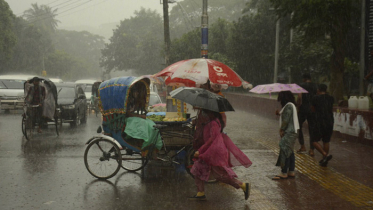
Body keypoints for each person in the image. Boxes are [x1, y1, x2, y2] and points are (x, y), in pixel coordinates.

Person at [189, 109, 252, 201]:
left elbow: (212, 140)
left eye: (204, 114)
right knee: (197, 169)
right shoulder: (208, 122)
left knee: (219, 175)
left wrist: (200, 150)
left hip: (214, 152)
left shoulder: (214, 123)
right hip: (208, 150)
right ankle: (200, 192)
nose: (203, 116)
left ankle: (242, 185)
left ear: (210, 113)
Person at [272, 91, 299, 180]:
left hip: (289, 132)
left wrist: (281, 129)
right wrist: (279, 113)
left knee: (284, 149)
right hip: (292, 132)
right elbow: (287, 116)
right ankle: (291, 171)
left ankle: (284, 172)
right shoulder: (291, 105)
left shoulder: (289, 106)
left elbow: (286, 120)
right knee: (289, 151)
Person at [311, 84, 334, 167]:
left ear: (318, 90)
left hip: (320, 121)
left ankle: (325, 155)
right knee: (326, 141)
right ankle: (325, 160)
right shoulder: (331, 98)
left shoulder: (315, 98)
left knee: (314, 140)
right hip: (330, 121)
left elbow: (313, 109)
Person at [296, 73, 318, 156]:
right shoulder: (315, 86)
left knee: (299, 127)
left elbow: (299, 97)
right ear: (310, 79)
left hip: (303, 109)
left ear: (304, 79)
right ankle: (312, 150)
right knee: (312, 129)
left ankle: (302, 146)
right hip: (312, 109)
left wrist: (298, 105)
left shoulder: (301, 85)